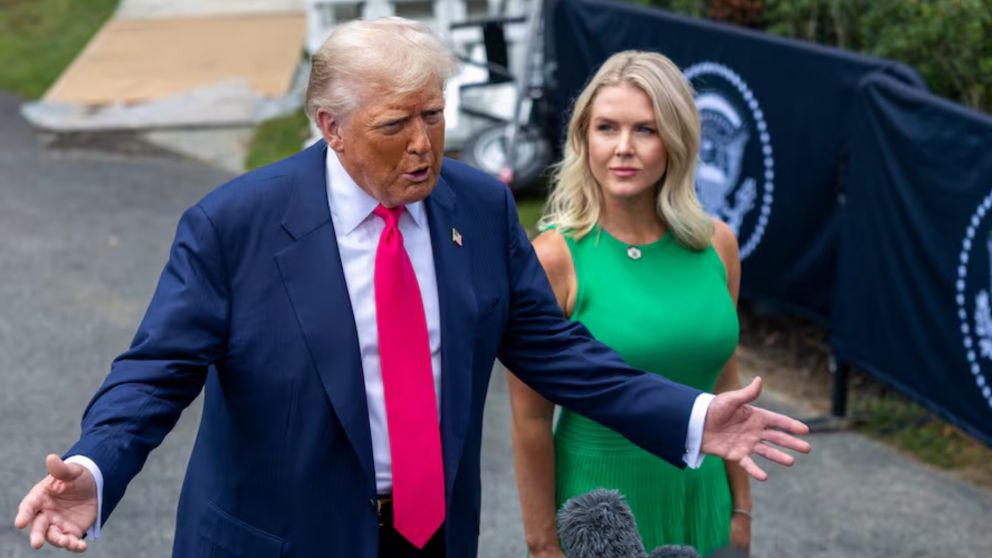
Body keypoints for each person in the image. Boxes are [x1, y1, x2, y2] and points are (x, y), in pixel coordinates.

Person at [13, 19, 808, 558]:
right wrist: (95, 466)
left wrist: (691, 414)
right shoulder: (235, 226)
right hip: (281, 540)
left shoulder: (479, 207)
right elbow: (155, 372)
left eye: (433, 115)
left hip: (430, 538)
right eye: (395, 126)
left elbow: (556, 351)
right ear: (330, 126)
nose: (424, 146)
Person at [507, 51, 751, 557]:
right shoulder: (553, 259)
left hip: (704, 499)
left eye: (645, 129)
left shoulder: (717, 245)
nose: (623, 148)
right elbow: (530, 420)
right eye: (606, 128)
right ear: (584, 139)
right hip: (600, 512)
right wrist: (542, 544)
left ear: (676, 140)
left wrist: (742, 511)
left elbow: (725, 382)